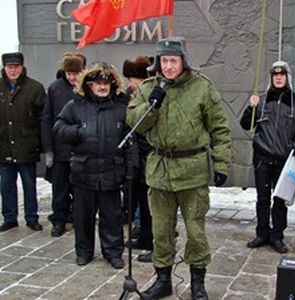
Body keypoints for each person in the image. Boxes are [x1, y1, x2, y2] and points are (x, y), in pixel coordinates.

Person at [126, 37, 231, 300]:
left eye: (174, 60)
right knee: (160, 231)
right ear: (158, 62)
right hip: (160, 170)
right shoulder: (149, 88)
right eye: (164, 60)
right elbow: (134, 122)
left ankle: (197, 282)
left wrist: (221, 162)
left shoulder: (201, 87)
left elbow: (219, 127)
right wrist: (153, 103)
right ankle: (163, 281)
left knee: (195, 231)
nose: (169, 66)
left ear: (183, 60)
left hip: (192, 170)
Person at [53, 62, 130, 269]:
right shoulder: (74, 106)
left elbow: (130, 141)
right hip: (83, 172)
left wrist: (130, 169)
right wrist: (77, 132)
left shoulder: (121, 109)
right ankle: (84, 252)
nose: (102, 86)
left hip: (111, 173)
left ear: (112, 85)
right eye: (97, 82)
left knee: (112, 217)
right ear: (89, 85)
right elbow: (58, 129)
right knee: (82, 217)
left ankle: (113, 253)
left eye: (106, 82)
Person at [240, 61, 295, 254]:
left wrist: (292, 149)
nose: (278, 78)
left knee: (280, 200)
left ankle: (277, 236)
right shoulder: (261, 100)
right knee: (262, 198)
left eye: (282, 74)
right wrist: (250, 108)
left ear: (288, 77)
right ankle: (261, 233)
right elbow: (246, 125)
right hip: (262, 157)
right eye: (275, 75)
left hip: (283, 161)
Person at [0, 52, 46, 232]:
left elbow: (44, 117)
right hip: (4, 146)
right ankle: (9, 218)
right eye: (9, 67)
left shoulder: (35, 88)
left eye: (16, 66)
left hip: (27, 145)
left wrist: (42, 143)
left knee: (29, 184)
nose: (13, 70)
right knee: (6, 185)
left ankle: (31, 217)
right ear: (4, 68)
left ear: (22, 67)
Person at [41, 53, 86, 237]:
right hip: (60, 151)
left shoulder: (87, 88)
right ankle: (59, 220)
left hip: (82, 150)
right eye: (69, 73)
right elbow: (46, 119)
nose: (72, 77)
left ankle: (78, 219)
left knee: (80, 190)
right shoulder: (55, 89)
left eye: (75, 73)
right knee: (59, 190)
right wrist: (48, 148)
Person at [122, 55, 154, 263]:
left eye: (133, 78)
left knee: (151, 207)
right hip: (134, 159)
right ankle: (143, 237)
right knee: (140, 200)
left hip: (149, 157)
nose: (130, 83)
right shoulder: (129, 95)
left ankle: (152, 243)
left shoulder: (151, 96)